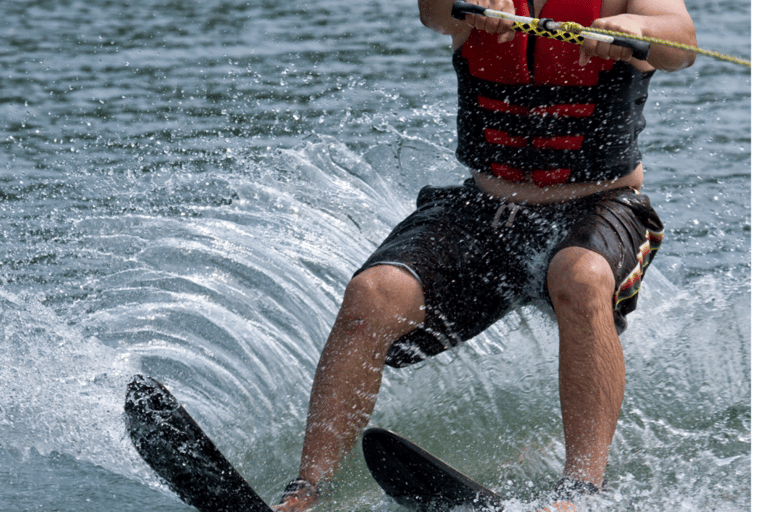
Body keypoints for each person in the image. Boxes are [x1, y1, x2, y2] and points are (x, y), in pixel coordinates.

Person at [274, 0, 696, 510]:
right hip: (485, 210)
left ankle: (579, 493)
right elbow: (433, 12)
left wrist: (635, 30)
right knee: (373, 293)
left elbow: (683, 42)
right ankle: (307, 489)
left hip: (602, 206)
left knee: (580, 276)